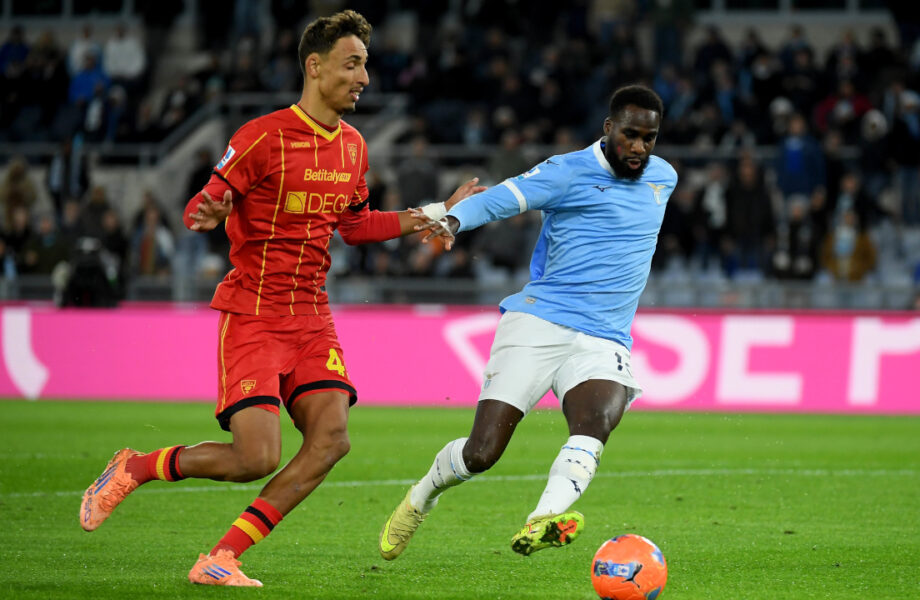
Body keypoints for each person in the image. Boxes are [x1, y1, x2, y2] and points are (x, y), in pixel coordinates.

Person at [78, 11, 483, 587]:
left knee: (332, 440)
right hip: (254, 314)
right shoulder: (261, 137)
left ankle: (221, 556)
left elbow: (358, 225)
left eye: (366, 64)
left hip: (312, 318)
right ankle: (137, 467)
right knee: (255, 458)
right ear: (314, 68)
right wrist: (210, 211)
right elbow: (200, 206)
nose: (363, 77)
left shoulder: (354, 147)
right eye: (352, 63)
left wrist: (440, 213)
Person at [378, 84, 676, 560]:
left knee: (596, 422)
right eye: (630, 135)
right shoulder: (567, 171)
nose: (639, 148)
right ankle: (421, 496)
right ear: (608, 128)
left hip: (605, 336)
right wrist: (454, 220)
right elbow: (503, 197)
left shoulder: (664, 177)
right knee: (482, 453)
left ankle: (542, 520)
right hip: (541, 324)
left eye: (649, 138)